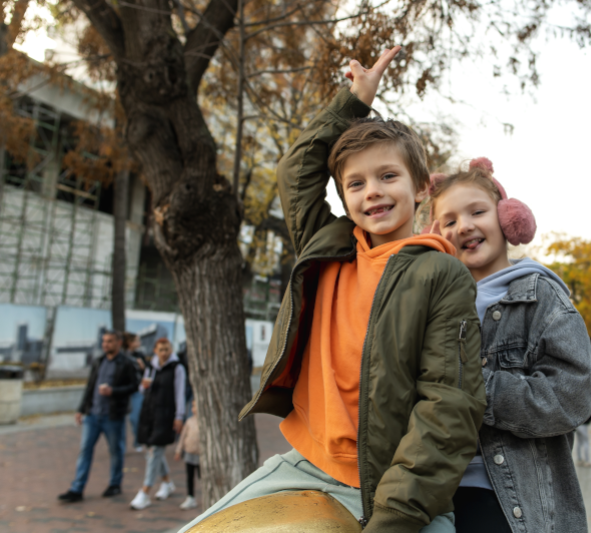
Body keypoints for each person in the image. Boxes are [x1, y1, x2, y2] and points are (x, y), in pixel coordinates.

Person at [179, 46, 485, 533]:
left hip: (392, 488)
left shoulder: (440, 274)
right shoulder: (330, 244)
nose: (373, 192)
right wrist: (353, 101)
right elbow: (295, 173)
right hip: (304, 465)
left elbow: (447, 409)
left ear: (422, 186)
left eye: (388, 176)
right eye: (356, 183)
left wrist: (396, 516)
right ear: (342, 194)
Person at [427, 157, 591, 533]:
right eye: (450, 221)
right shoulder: (430, 307)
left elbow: (574, 395)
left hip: (510, 497)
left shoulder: (540, 296)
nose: (465, 226)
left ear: (508, 220)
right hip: (434, 492)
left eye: (477, 212)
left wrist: (474, 387)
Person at [57, 330, 139, 502]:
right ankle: (77, 489)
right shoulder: (98, 362)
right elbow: (90, 386)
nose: (105, 344)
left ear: (118, 342)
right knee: (85, 451)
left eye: (109, 341)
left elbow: (134, 386)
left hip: (113, 416)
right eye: (104, 341)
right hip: (93, 416)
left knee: (116, 451)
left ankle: (115, 484)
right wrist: (81, 409)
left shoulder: (126, 363)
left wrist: (113, 391)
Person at [130, 338, 186, 510]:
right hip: (149, 413)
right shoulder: (151, 367)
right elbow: (142, 389)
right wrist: (143, 385)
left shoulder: (177, 368)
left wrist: (179, 416)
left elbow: (180, 393)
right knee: (153, 450)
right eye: (161, 349)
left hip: (166, 415)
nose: (164, 352)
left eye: (167, 349)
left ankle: (145, 491)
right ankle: (167, 482)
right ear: (155, 350)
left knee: (155, 450)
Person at [123, 332, 148, 453]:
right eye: (137, 340)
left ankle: (137, 440)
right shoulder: (122, 356)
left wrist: (143, 367)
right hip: (123, 391)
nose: (139, 343)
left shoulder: (140, 355)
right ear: (130, 342)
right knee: (122, 420)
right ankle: (121, 446)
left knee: (135, 418)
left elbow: (146, 373)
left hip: (137, 391)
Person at [174, 399, 200, 509]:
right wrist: (178, 450)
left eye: (196, 406)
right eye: (192, 406)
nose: (193, 409)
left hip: (201, 456)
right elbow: (183, 437)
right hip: (189, 454)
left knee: (202, 476)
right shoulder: (189, 421)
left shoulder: (205, 422)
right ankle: (190, 497)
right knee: (190, 477)